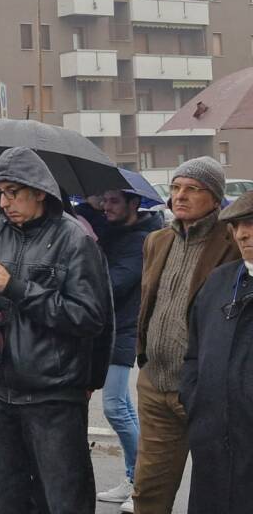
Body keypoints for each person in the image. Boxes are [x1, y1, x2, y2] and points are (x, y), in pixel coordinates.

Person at [0, 147, 112, 514]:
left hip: (53, 395)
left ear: (40, 190)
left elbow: (90, 317)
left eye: (14, 192)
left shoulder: (74, 239)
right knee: (7, 499)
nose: (5, 201)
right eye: (0, 193)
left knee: (65, 499)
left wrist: (14, 287)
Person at [132, 157, 239, 514]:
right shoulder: (157, 240)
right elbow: (149, 301)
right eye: (176, 187)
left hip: (208, 390)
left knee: (215, 488)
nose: (180, 196)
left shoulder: (232, 243)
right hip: (156, 385)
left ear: (215, 197)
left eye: (192, 189)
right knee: (148, 489)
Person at [180, 191, 253, 514]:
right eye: (237, 225)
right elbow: (193, 351)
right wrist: (194, 398)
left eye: (251, 224)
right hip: (213, 438)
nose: (242, 233)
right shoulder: (220, 281)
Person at [94, 188, 159, 511]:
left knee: (115, 407)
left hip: (123, 330)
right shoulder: (116, 232)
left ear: (134, 204)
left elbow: (113, 284)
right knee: (122, 407)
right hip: (112, 329)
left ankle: (140, 485)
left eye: (114, 201)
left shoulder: (138, 241)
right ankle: (134, 477)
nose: (106, 206)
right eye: (104, 200)